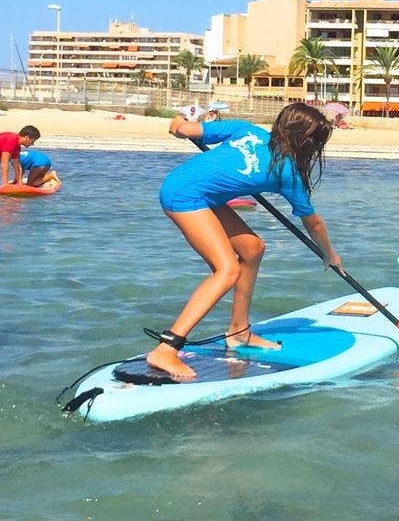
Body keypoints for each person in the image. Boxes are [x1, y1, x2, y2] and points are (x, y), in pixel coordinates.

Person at [147, 102, 343, 380]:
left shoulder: (247, 130)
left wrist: (177, 120)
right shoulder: (289, 173)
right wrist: (330, 254)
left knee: (252, 248)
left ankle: (239, 332)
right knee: (227, 270)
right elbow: (313, 223)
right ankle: (167, 348)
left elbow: (182, 129)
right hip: (184, 196)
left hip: (200, 194)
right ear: (308, 144)